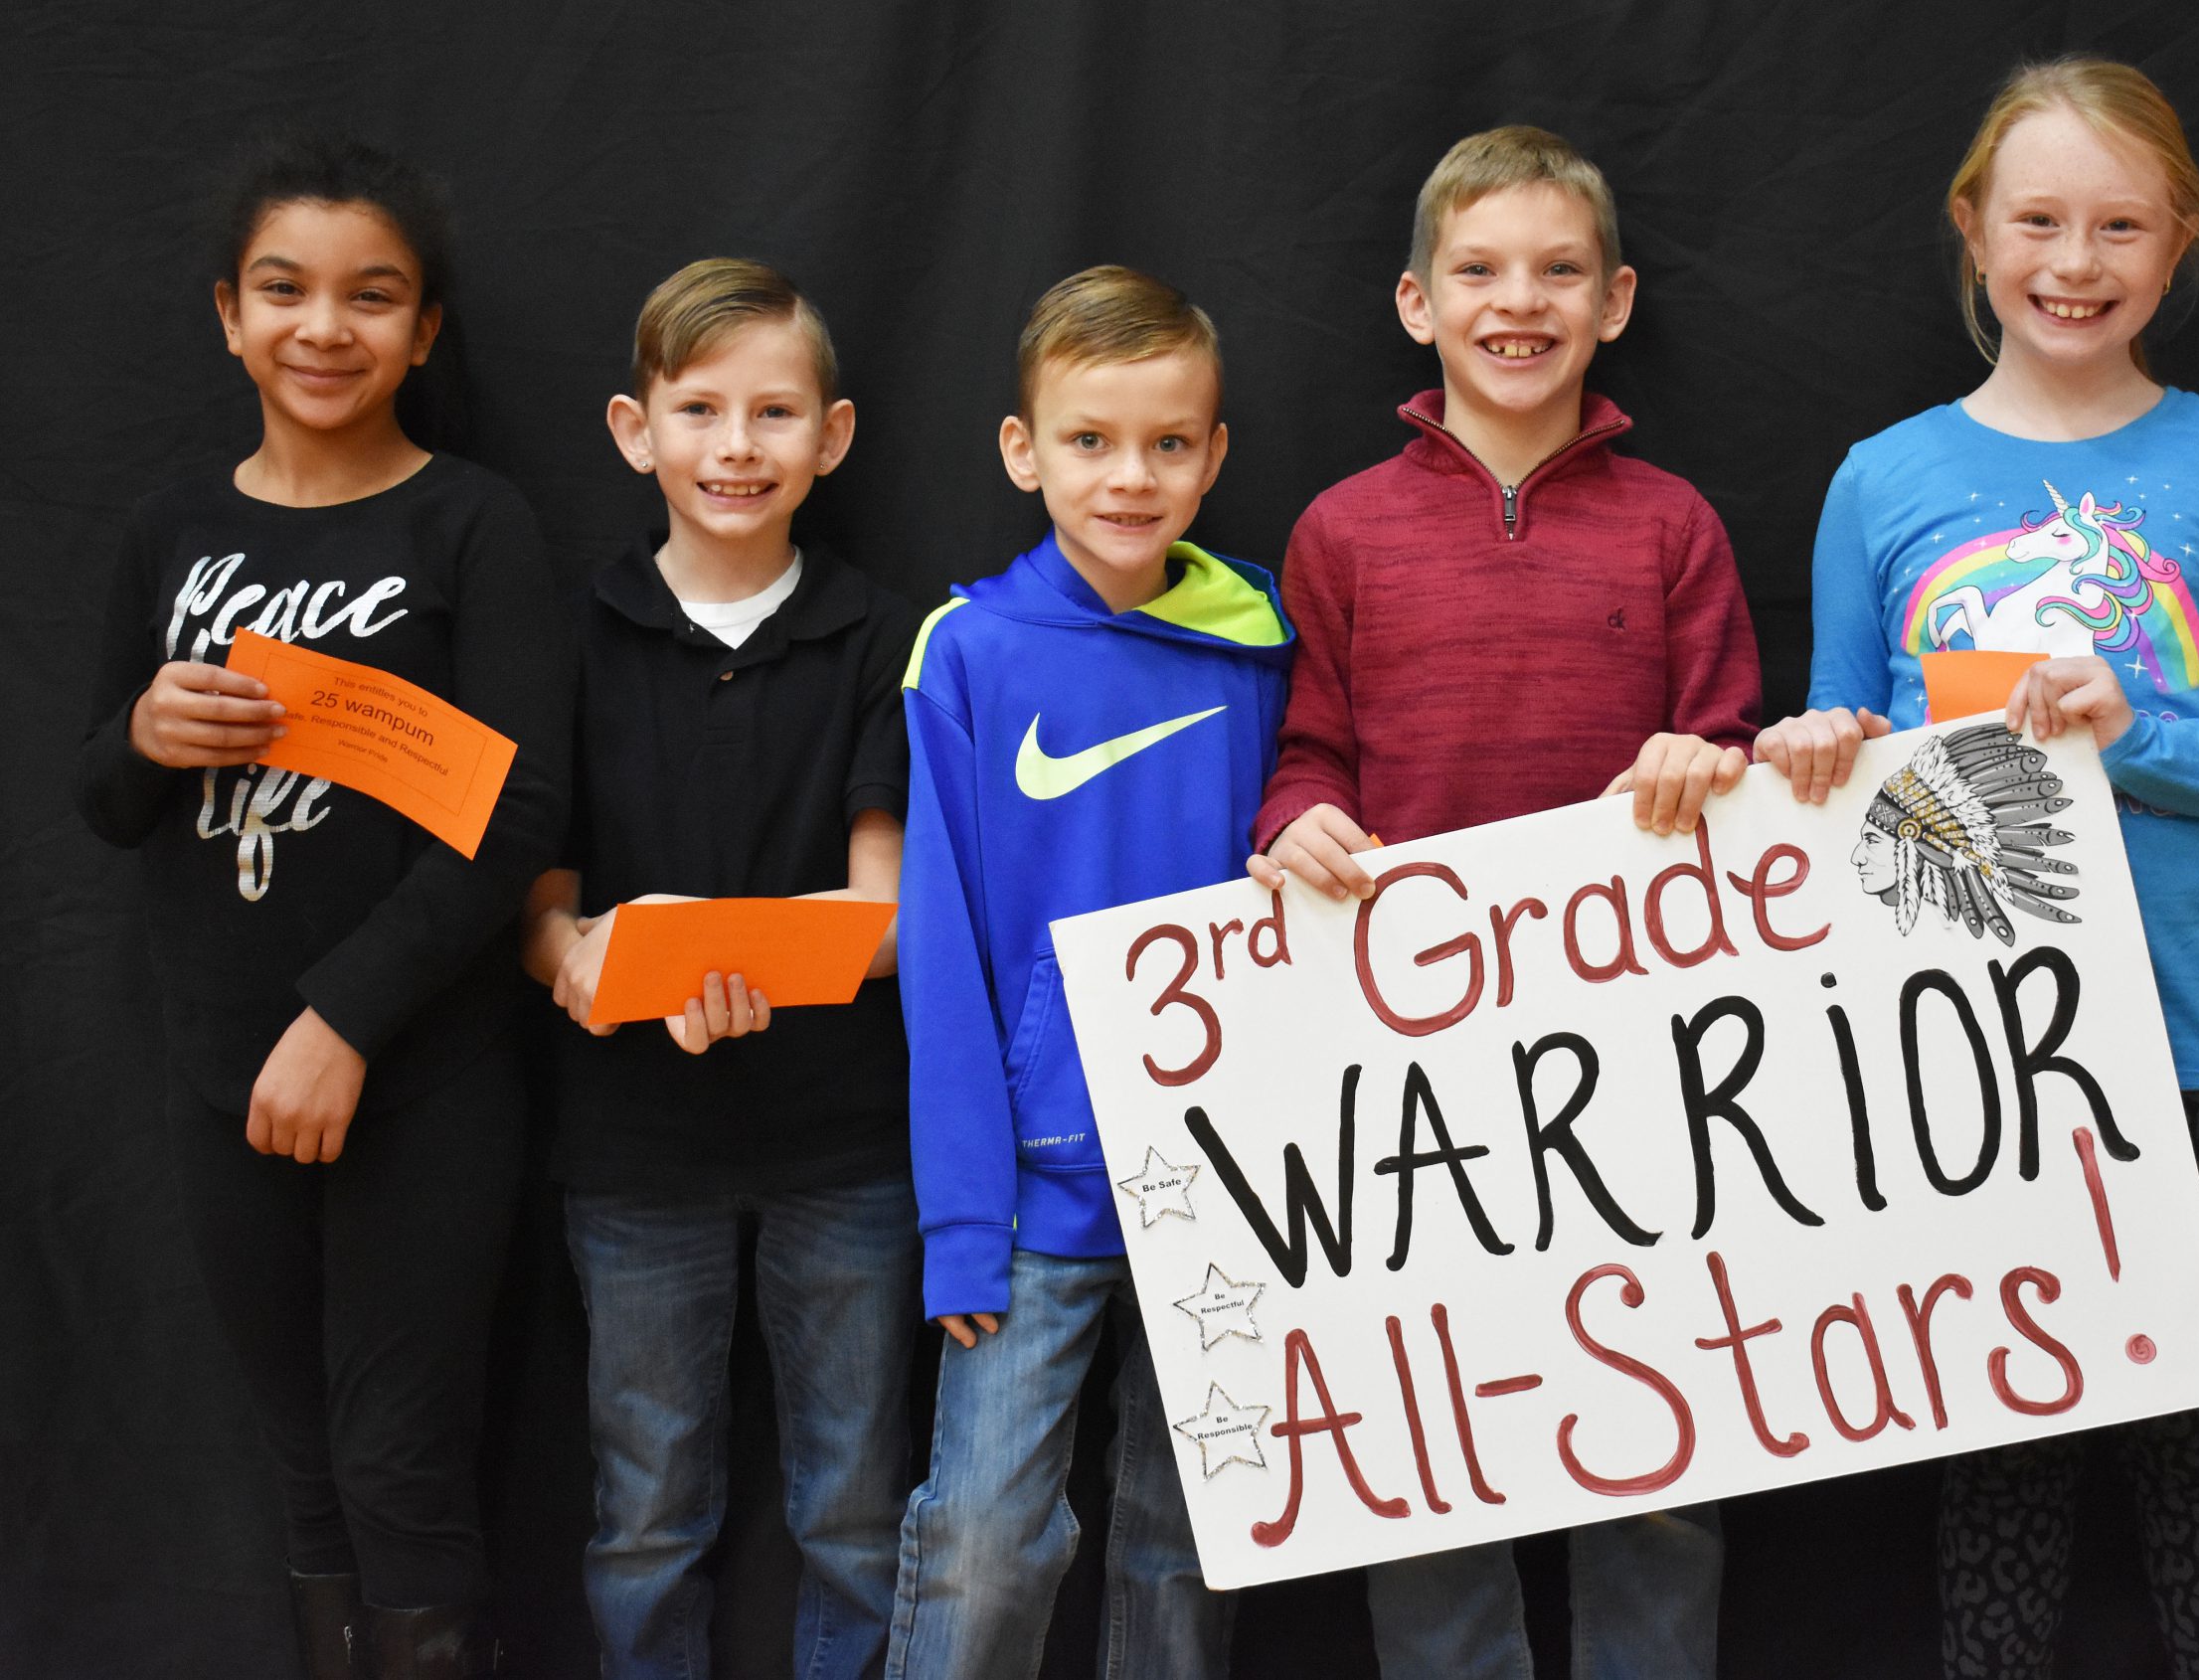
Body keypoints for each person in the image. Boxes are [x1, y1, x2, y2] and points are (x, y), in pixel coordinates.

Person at [1751, 56, 2199, 1679]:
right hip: (1955, 1046)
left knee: (2193, 1429)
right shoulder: (1882, 477)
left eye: (2121, 224)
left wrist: (2145, 740)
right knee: (1997, 1442)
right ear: (1974, 231)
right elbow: (1841, 741)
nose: (2076, 260)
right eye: (2039, 219)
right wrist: (1813, 749)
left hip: (2188, 1036)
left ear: (2177, 241)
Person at [1248, 124, 1762, 1680]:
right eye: (1478, 270)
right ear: (1417, 303)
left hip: (1645, 1052)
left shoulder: (1675, 524)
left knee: (1662, 1454)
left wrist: (1708, 759)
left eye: (1554, 272)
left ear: (1613, 300)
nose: (1514, 302)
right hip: (1415, 1066)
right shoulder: (1341, 529)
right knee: (1434, 1448)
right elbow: (1307, 753)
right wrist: (1299, 825)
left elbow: (1738, 753)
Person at [74, 133, 570, 1678]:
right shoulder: (170, 532)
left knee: (401, 1459)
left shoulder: (473, 524)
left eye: (373, 296)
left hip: (418, 1066)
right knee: (300, 1467)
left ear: (424, 332)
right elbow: (101, 799)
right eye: (284, 290)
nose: (323, 327)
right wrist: (141, 735)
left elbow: (520, 812)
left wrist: (347, 1014)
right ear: (229, 313)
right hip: (218, 1068)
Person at [887, 265, 1292, 1680]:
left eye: (1169, 443)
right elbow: (938, 957)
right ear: (1023, 450)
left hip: (1228, 1187)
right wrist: (959, 1213)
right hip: (1033, 1198)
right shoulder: (970, 650)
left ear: (1215, 454)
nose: (1131, 476)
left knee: (1185, 1551)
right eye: (1090, 440)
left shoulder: (1263, 640)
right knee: (987, 1544)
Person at [521, 258, 920, 1680]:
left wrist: (745, 953)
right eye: (700, 410)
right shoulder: (569, 631)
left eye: (773, 412)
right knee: (643, 1514)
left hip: (846, 1143)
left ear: (835, 434)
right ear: (636, 430)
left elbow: (883, 919)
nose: (736, 447)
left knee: (859, 1513)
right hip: (633, 1148)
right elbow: (539, 903)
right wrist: (586, 962)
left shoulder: (886, 634)